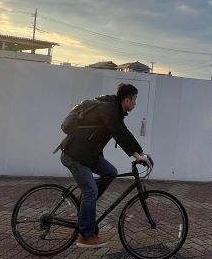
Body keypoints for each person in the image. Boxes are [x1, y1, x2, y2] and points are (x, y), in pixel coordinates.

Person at [60, 83, 150, 248]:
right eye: (134, 100)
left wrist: (141, 152)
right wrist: (136, 155)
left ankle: (84, 201)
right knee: (91, 191)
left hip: (88, 154)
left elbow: (125, 132)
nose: (135, 103)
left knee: (110, 172)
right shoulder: (108, 109)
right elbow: (117, 132)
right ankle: (86, 236)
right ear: (127, 100)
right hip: (75, 155)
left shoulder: (115, 110)